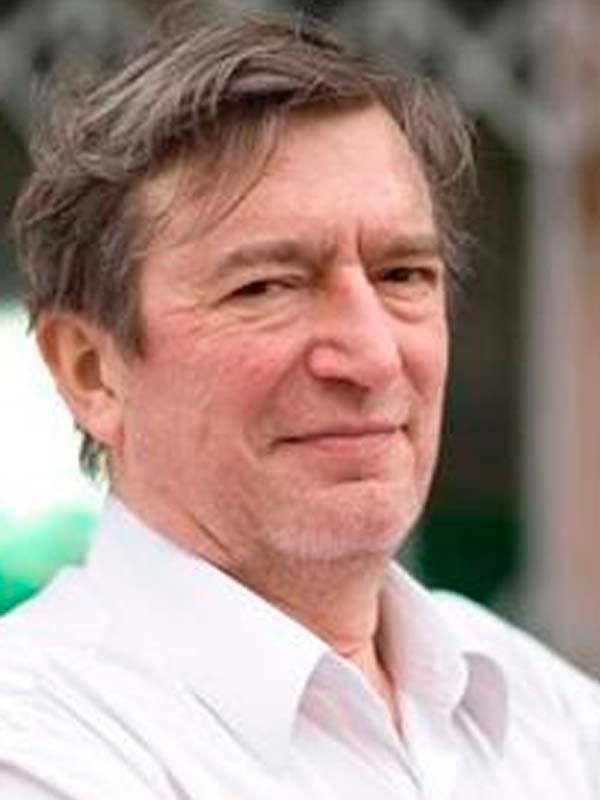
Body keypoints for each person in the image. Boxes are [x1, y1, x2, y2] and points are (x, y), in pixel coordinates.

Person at [1, 5, 599, 799]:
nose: (374, 358)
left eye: (403, 275)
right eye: (267, 287)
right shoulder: (35, 741)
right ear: (91, 372)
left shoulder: (537, 704)